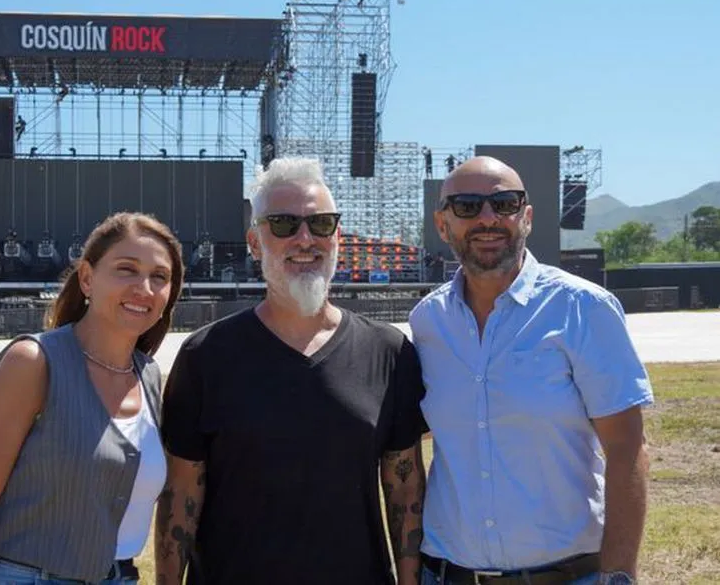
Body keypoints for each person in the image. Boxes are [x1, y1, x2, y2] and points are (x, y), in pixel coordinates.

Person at [155, 157, 429, 585]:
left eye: (320, 224)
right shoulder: (205, 356)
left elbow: (404, 489)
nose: (305, 239)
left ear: (338, 236)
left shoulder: (388, 352)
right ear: (253, 242)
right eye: (283, 224)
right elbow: (180, 494)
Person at [410, 157, 653, 585]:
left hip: (564, 575)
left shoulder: (583, 309)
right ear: (443, 224)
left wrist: (618, 576)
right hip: (447, 574)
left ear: (527, 216)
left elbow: (627, 446)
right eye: (467, 206)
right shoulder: (428, 322)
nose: (488, 219)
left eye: (504, 203)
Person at [0, 212, 185, 585]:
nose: (145, 287)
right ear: (87, 278)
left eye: (160, 277)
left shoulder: (149, 376)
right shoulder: (34, 363)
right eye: (126, 269)